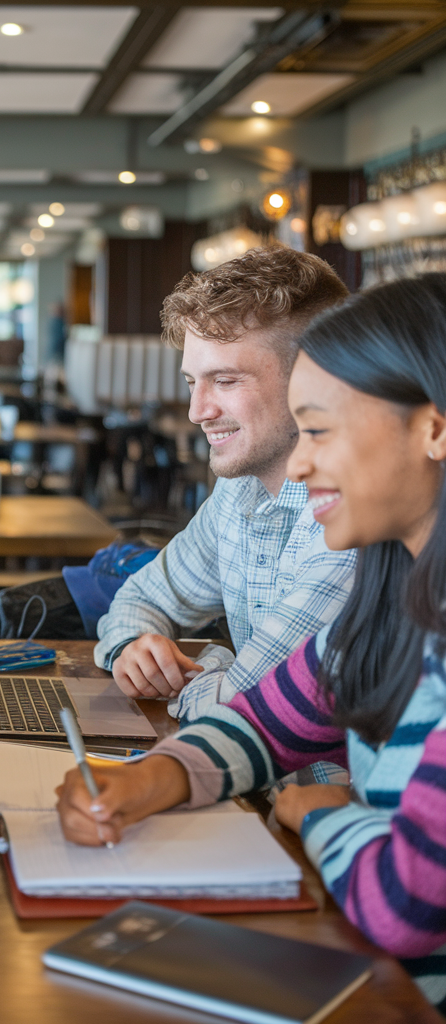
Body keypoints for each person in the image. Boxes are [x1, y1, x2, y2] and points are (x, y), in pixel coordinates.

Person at [56, 274, 446, 1011]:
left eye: (322, 429)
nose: (299, 464)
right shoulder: (400, 591)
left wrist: (315, 811)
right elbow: (267, 717)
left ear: (434, 428)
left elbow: (406, 902)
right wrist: (152, 778)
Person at [94, 246, 356, 724]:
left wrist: (215, 661)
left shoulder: (354, 515)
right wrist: (135, 646)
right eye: (193, 381)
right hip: (255, 790)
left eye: (226, 380)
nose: (198, 411)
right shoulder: (240, 492)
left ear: (318, 379)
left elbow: (245, 707)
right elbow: (139, 599)